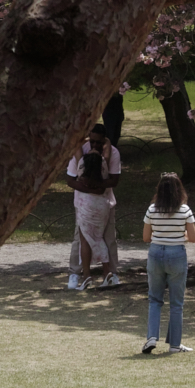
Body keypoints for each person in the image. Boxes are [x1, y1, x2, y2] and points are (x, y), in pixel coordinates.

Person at [140, 173, 195, 356]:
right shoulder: (184, 210)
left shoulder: (152, 209)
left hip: (156, 253)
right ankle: (174, 344)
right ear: (179, 190)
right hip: (176, 254)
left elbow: (146, 237)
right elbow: (194, 238)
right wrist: (181, 236)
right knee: (176, 303)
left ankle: (151, 337)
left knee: (155, 299)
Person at [65, 124, 122, 291]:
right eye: (93, 142)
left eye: (99, 142)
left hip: (89, 204)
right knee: (93, 238)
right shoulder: (104, 159)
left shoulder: (82, 159)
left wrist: (90, 188)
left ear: (103, 141)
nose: (95, 145)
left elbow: (71, 179)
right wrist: (96, 189)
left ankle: (89, 275)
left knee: (92, 238)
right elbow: (107, 181)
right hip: (100, 203)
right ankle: (86, 272)